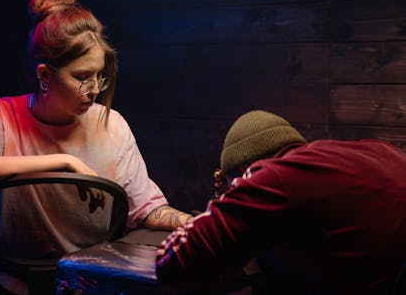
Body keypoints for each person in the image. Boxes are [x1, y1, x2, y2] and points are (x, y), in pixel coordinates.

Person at [0, 0, 192, 294]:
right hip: (10, 272)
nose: (95, 89)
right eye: (82, 77)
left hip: (89, 274)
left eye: (100, 76)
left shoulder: (112, 124)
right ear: (45, 75)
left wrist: (197, 222)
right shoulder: (0, 114)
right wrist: (67, 162)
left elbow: (144, 208)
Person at [156, 110, 406, 295]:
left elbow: (175, 260)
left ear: (245, 173)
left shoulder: (274, 177)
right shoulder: (380, 150)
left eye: (232, 187)